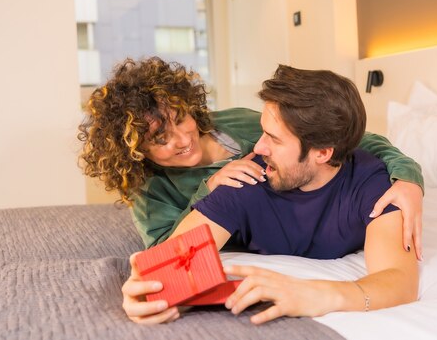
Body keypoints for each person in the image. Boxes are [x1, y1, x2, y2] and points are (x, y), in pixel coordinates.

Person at [122, 65, 419, 325]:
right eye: (262, 132)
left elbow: (400, 281)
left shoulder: (371, 182)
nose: (257, 148)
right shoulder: (243, 181)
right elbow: (163, 276)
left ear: (323, 152)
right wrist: (142, 294)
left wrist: (320, 293)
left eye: (273, 139)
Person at [78, 57, 424, 259]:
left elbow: (355, 139)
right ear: (136, 150)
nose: (184, 139)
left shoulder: (235, 121)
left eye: (181, 119)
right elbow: (167, 254)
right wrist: (208, 189)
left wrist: (408, 177)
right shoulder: (149, 188)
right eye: (160, 139)